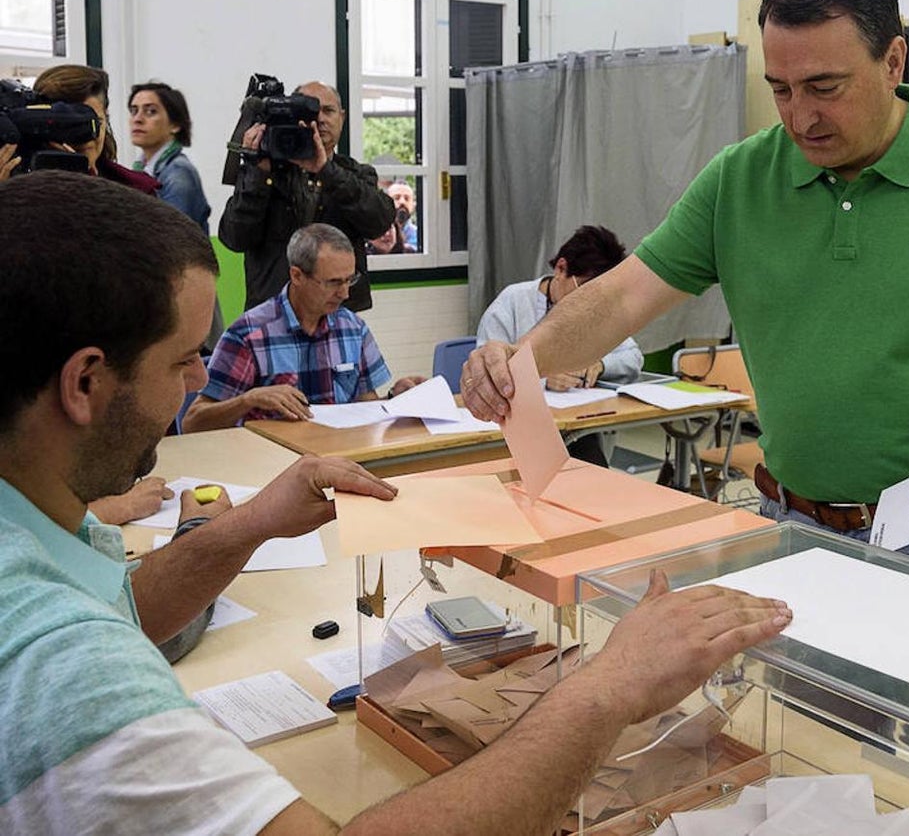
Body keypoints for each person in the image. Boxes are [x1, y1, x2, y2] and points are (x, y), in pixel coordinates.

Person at [462, 0, 909, 820]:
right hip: (797, 537)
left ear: (893, 58)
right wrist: (519, 359)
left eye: (825, 88)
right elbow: (620, 298)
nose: (800, 117)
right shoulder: (741, 180)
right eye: (781, 90)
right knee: (814, 774)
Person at [0, 170, 793, 834]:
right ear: (85, 382)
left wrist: (252, 521)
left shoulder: (36, 531)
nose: (199, 383)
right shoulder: (62, 662)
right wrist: (608, 689)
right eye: (181, 361)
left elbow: (124, 607)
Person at [181, 223, 423, 432]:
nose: (345, 293)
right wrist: (248, 400)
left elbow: (366, 407)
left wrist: (394, 398)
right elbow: (193, 423)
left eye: (350, 280)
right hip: (269, 463)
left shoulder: (353, 328)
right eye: (333, 283)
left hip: (338, 457)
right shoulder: (249, 334)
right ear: (297, 276)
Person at [477, 225, 644, 467]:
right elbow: (488, 373)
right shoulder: (511, 302)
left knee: (591, 472)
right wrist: (544, 379)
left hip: (575, 426)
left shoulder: (597, 310)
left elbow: (633, 357)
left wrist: (600, 365)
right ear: (561, 268)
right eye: (585, 289)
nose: (589, 302)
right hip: (516, 431)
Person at [220, 80, 391, 312]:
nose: (320, 119)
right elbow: (234, 238)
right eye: (310, 111)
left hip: (339, 312)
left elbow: (378, 223)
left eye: (328, 111)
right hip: (274, 312)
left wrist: (327, 171)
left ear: (342, 117)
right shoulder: (265, 172)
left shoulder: (357, 174)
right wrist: (257, 173)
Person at [128, 80, 224, 350]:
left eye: (150, 111)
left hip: (182, 296)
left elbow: (169, 246)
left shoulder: (177, 173)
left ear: (175, 124)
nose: (138, 118)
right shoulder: (142, 169)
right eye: (134, 110)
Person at [33, 65, 159, 194]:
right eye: (74, 124)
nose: (88, 137)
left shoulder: (136, 190)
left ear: (106, 118)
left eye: (96, 122)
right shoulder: (21, 185)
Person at [386, 180, 418, 251]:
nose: (402, 202)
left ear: (413, 205)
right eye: (396, 198)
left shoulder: (420, 236)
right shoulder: (378, 235)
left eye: (407, 198)